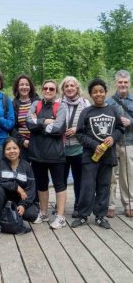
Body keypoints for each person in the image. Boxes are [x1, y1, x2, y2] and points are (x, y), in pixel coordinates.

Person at [72, 79, 124, 229]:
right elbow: (80, 134)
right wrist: (94, 145)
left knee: (104, 185)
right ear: (90, 94)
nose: (98, 94)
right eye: (95, 92)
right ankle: (82, 215)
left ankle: (100, 216)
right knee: (87, 186)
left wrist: (113, 137)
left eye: (101, 91)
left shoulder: (113, 110)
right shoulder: (86, 112)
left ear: (105, 92)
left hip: (108, 157)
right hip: (90, 156)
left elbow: (120, 129)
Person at [26, 80, 67, 229]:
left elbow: (59, 128)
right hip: (37, 153)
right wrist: (46, 122)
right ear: (42, 90)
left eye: (52, 89)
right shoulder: (35, 104)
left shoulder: (60, 107)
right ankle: (43, 212)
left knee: (59, 185)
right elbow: (29, 123)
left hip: (55, 154)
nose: (48, 90)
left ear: (56, 91)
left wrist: (39, 125)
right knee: (41, 184)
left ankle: (61, 217)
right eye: (45, 88)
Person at [0, 137, 39, 238]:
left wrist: (23, 205)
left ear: (19, 149)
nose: (12, 151)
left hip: (18, 200)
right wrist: (16, 187)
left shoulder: (26, 166)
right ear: (4, 151)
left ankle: (12, 217)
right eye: (8, 149)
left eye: (14, 148)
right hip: (2, 198)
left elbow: (31, 188)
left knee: (32, 214)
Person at [58, 76, 90, 218]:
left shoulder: (85, 103)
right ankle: (61, 207)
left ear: (77, 88)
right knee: (61, 179)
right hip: (61, 148)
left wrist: (77, 128)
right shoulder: (58, 103)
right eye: (67, 86)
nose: (70, 88)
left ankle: (78, 205)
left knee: (79, 179)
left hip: (79, 148)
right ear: (63, 89)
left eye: (72, 85)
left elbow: (90, 124)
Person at [106, 70, 133, 218]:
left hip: (129, 142)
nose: (123, 85)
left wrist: (131, 122)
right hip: (113, 143)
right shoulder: (108, 102)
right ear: (116, 83)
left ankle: (129, 204)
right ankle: (110, 205)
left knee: (128, 176)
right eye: (120, 82)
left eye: (125, 82)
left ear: (129, 83)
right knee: (111, 177)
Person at [12, 74, 40, 161]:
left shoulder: (38, 102)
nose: (24, 87)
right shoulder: (13, 104)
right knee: (24, 171)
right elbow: (12, 127)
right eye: (21, 84)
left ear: (30, 87)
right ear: (17, 87)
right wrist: (23, 141)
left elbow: (44, 122)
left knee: (37, 172)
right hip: (22, 144)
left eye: (27, 84)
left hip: (38, 142)